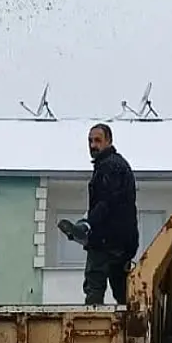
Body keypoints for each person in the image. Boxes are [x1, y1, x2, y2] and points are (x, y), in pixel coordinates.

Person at [60, 123, 139, 305]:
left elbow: (106, 203)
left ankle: (92, 326)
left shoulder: (108, 166)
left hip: (106, 241)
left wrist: (88, 224)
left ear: (109, 141)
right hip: (124, 243)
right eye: (90, 141)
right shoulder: (118, 165)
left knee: (95, 288)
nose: (93, 145)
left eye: (97, 140)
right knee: (122, 292)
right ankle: (130, 328)